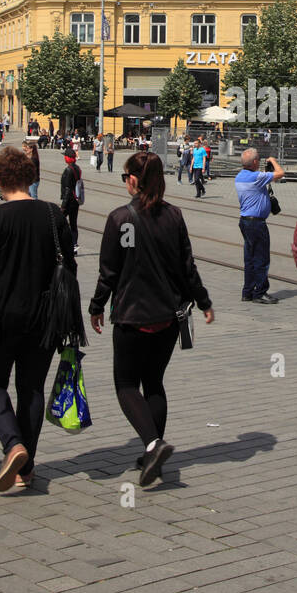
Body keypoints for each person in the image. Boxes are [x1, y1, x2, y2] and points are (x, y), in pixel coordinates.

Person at [89, 151, 214, 486]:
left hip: (131, 316)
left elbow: (108, 272)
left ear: (133, 179)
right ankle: (151, 458)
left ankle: (154, 444)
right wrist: (203, 302)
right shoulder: (174, 216)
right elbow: (188, 266)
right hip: (167, 318)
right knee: (154, 383)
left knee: (126, 385)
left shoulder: (119, 218)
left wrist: (97, 306)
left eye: (125, 176)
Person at [0, 147, 76, 492]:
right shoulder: (54, 215)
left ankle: (13, 445)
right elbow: (70, 266)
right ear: (30, 177)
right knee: (31, 387)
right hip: (45, 319)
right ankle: (27, 469)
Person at [235, 148, 285, 304]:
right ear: (255, 162)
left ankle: (248, 291)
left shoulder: (240, 177)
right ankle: (260, 292)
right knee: (261, 258)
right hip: (256, 223)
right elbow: (280, 174)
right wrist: (274, 161)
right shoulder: (256, 177)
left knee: (249, 258)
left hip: (245, 221)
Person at [60, 150, 82, 253]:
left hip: (69, 201)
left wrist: (63, 205)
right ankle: (74, 245)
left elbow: (68, 188)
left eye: (65, 156)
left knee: (59, 222)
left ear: (68, 158)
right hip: (76, 199)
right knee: (73, 223)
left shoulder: (68, 170)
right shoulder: (77, 168)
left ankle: (61, 245)